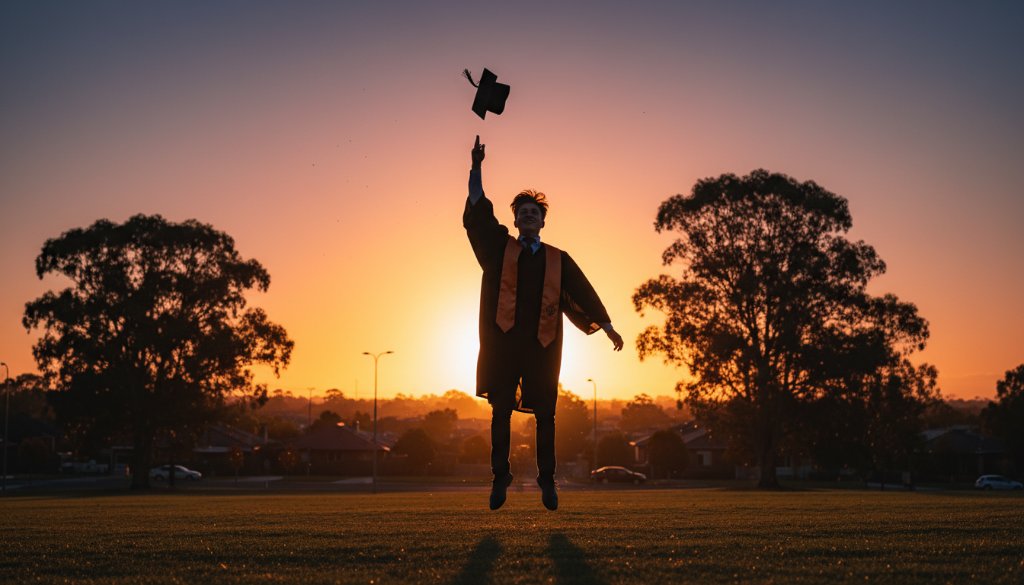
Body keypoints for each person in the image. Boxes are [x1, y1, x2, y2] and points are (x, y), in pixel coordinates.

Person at [463, 135, 623, 511]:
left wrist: (607, 325)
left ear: (543, 221)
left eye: (534, 212)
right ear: (515, 219)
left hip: (542, 346)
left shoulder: (557, 258)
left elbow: (583, 291)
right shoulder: (500, 248)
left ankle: (547, 481)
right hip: (502, 344)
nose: (528, 216)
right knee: (500, 412)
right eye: (522, 212)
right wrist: (476, 167)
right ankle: (499, 476)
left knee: (547, 416)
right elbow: (477, 210)